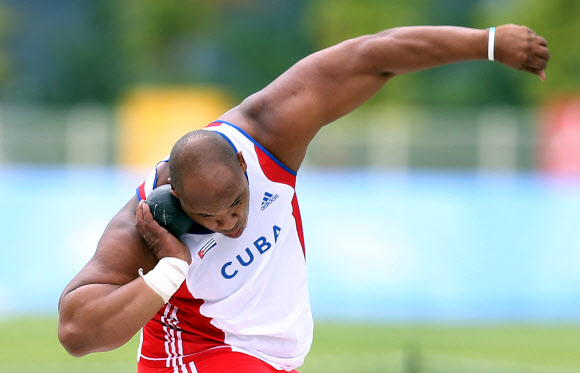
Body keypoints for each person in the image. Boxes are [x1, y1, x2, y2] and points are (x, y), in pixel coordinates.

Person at [58, 24, 550, 372]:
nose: (231, 223)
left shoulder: (270, 132)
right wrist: (170, 270)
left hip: (273, 359)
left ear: (246, 170)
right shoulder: (148, 222)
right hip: (198, 359)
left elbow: (372, 56)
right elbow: (75, 333)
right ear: (179, 201)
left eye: (237, 204)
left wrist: (485, 42)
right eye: (209, 216)